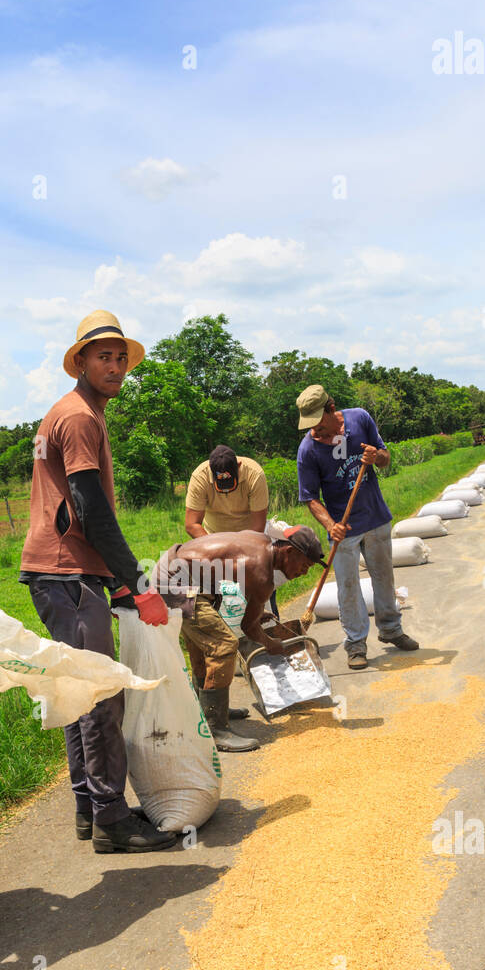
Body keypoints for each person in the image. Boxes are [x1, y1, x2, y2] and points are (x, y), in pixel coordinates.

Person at [19, 310, 177, 852]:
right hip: (66, 572)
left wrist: (111, 579)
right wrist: (135, 582)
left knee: (76, 690)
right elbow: (89, 507)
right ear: (79, 362)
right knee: (100, 693)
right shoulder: (80, 417)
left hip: (63, 570)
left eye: (119, 358)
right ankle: (112, 820)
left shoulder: (68, 413)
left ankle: (91, 809)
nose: (114, 366)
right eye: (102, 357)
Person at [157, 525, 324, 750]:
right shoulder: (263, 573)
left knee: (205, 643)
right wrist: (271, 644)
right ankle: (216, 730)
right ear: (289, 552)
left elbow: (233, 571)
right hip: (177, 584)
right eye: (304, 565)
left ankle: (206, 712)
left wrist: (255, 609)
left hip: (174, 572)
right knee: (224, 645)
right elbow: (249, 627)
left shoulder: (260, 542)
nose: (304, 572)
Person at [295, 385, 418, 669]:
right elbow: (310, 498)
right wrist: (331, 524)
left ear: (330, 408)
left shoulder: (360, 419)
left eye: (318, 422)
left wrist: (376, 457)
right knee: (347, 588)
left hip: (375, 516)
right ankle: (355, 644)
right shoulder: (308, 449)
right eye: (309, 425)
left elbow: (386, 459)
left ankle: (391, 630)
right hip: (343, 529)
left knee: (384, 578)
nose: (315, 430)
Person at [183, 446, 272, 728]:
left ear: (237, 472)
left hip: (247, 544)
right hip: (209, 547)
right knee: (222, 640)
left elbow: (258, 528)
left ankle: (263, 688)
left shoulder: (254, 474)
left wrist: (240, 561)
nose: (223, 490)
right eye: (219, 485)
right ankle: (214, 723)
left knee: (253, 612)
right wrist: (218, 551)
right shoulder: (200, 476)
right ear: (211, 476)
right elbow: (191, 523)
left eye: (229, 484)